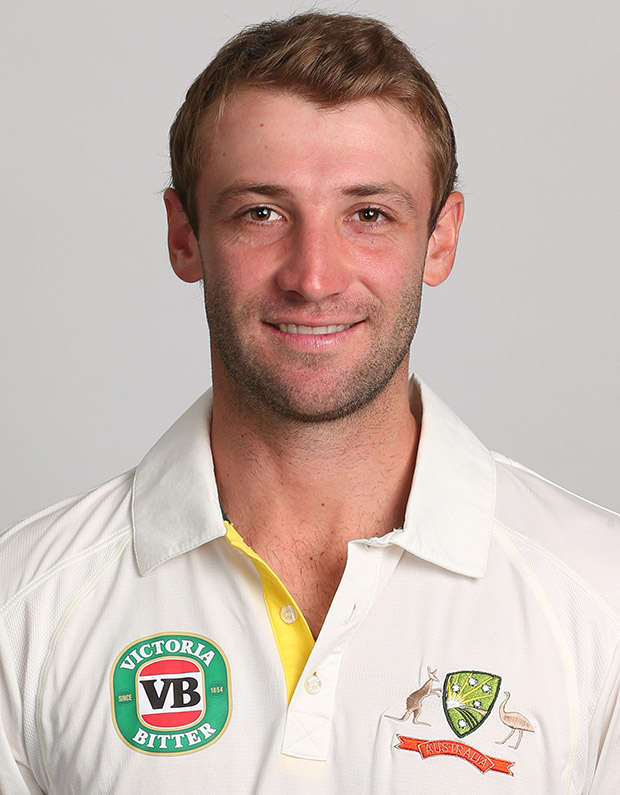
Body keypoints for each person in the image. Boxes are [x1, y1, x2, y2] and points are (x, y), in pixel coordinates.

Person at [1, 11, 618, 794]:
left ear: (440, 238)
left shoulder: (600, 602)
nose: (315, 276)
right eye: (261, 212)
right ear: (184, 235)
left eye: (369, 214)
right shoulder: (23, 608)